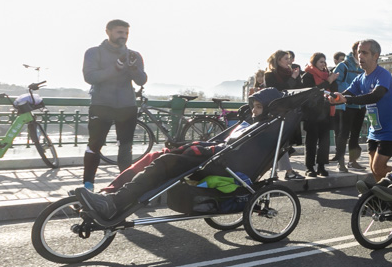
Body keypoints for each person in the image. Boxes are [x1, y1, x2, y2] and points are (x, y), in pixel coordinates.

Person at [76, 87, 281, 225]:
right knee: (158, 156)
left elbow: (236, 150)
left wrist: (199, 148)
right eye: (253, 105)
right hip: (216, 158)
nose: (253, 110)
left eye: (258, 106)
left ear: (270, 108)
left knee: (164, 163)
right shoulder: (252, 124)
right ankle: (111, 195)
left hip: (222, 164)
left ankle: (114, 203)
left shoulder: (264, 130)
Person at [82, 19, 147, 192]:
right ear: (108, 32)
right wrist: (115, 68)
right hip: (101, 104)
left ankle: (125, 187)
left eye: (126, 33)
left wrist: (133, 68)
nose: (123, 36)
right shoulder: (93, 52)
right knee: (95, 144)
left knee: (126, 147)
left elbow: (142, 80)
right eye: (119, 32)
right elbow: (90, 77)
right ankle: (88, 185)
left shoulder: (134, 54)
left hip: (126, 106)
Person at [337, 39, 392, 192]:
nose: (360, 56)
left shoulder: (383, 75)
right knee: (375, 171)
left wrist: (346, 99)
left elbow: (375, 96)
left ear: (375, 56)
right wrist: (333, 97)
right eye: (358, 52)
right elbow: (347, 93)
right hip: (374, 130)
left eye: (364, 52)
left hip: (390, 130)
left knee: (378, 167)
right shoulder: (360, 78)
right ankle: (385, 196)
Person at [263, 50, 304, 180]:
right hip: (277, 112)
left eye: (289, 58)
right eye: (286, 58)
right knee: (280, 141)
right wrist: (292, 78)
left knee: (281, 142)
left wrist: (296, 78)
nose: (289, 61)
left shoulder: (290, 73)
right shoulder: (270, 75)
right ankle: (288, 171)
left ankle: (275, 172)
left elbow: (298, 90)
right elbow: (278, 91)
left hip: (290, 111)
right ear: (278, 60)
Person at [301, 53, 336, 177]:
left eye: (324, 61)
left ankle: (321, 166)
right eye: (321, 61)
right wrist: (328, 82)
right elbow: (312, 93)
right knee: (311, 141)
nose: (323, 64)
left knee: (324, 141)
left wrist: (331, 81)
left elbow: (333, 91)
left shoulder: (328, 75)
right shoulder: (307, 75)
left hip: (325, 112)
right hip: (311, 114)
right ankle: (310, 167)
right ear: (314, 62)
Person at [333, 46, 365, 169]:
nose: (362, 54)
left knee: (356, 134)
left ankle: (352, 161)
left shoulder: (363, 67)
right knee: (343, 134)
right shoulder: (343, 65)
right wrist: (351, 91)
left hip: (360, 104)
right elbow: (337, 82)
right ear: (354, 52)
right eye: (360, 51)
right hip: (347, 105)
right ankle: (340, 162)